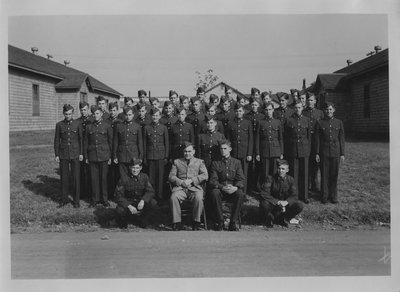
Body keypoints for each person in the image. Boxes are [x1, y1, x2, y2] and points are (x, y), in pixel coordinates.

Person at [169, 142, 208, 231]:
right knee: (173, 197)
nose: (187, 153)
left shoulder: (200, 162)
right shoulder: (177, 162)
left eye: (189, 151)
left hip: (194, 188)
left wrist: (192, 180)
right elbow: (171, 176)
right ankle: (177, 222)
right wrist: (181, 182)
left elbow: (205, 175)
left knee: (198, 198)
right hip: (181, 188)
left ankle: (196, 222)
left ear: (193, 152)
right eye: (185, 151)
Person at [208, 140, 246, 231]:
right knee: (214, 192)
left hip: (233, 189)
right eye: (221, 149)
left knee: (240, 194)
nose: (223, 150)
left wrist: (236, 187)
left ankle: (233, 222)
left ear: (230, 149)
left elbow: (241, 179)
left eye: (225, 148)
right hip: (221, 190)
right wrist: (222, 187)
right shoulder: (215, 163)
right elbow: (213, 180)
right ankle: (220, 221)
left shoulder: (236, 162)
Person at [258, 159, 304, 227]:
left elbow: (294, 195)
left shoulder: (291, 180)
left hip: (285, 206)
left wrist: (286, 202)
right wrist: (277, 202)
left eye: (283, 169)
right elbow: (264, 194)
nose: (280, 171)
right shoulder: (270, 178)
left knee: (299, 205)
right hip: (273, 205)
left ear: (287, 170)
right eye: (279, 168)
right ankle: (270, 219)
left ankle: (285, 219)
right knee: (264, 204)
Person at [54, 104, 83, 208]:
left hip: (75, 153)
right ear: (63, 114)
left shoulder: (78, 123)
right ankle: (64, 199)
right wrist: (57, 154)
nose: (68, 116)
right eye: (66, 114)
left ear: (73, 113)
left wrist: (81, 153)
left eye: (70, 114)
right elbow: (57, 140)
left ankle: (76, 201)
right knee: (64, 178)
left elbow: (81, 139)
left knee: (76, 178)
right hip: (64, 154)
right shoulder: (59, 125)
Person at [315, 102, 345, 204]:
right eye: (327, 109)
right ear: (324, 111)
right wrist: (317, 153)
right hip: (324, 152)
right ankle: (324, 196)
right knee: (324, 174)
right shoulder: (320, 123)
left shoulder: (339, 122)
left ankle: (333, 196)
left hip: (335, 152)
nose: (329, 111)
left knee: (334, 174)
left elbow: (341, 139)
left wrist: (342, 154)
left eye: (331, 109)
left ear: (334, 110)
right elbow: (317, 139)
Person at [114, 159, 156, 229]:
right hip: (129, 202)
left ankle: (143, 220)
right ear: (130, 168)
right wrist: (128, 205)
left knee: (153, 203)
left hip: (140, 202)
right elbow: (118, 195)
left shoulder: (144, 177)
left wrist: (143, 200)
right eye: (133, 168)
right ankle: (124, 222)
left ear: (140, 168)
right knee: (119, 210)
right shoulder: (124, 178)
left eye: (137, 168)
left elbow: (150, 191)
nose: (135, 170)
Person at [84, 105, 113, 207]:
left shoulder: (107, 125)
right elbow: (86, 142)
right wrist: (86, 156)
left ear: (101, 114)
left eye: (97, 113)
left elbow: (111, 142)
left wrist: (110, 157)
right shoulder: (89, 127)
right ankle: (94, 199)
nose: (95, 115)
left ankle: (104, 199)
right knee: (93, 179)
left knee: (104, 178)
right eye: (94, 114)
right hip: (92, 156)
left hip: (104, 155)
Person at [283, 101, 311, 204]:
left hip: (304, 150)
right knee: (294, 174)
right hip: (293, 150)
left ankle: (305, 196)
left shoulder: (307, 120)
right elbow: (286, 137)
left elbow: (309, 137)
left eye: (299, 107)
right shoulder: (289, 120)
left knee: (304, 173)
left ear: (302, 108)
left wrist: (309, 150)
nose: (297, 109)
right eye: (295, 108)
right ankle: (294, 196)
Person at [143, 107, 169, 203]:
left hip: (161, 156)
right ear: (151, 116)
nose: (155, 117)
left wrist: (166, 156)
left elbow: (166, 143)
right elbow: (144, 144)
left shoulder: (164, 128)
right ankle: (151, 196)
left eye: (157, 115)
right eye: (153, 115)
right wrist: (145, 157)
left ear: (160, 116)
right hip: (150, 156)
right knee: (151, 178)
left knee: (160, 177)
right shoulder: (146, 128)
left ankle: (159, 196)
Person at [226, 103, 253, 193]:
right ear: (234, 112)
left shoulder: (247, 123)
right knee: (233, 172)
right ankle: (234, 192)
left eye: (240, 111)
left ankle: (243, 192)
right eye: (237, 111)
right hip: (234, 152)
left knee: (244, 173)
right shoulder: (230, 123)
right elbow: (228, 140)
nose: (238, 113)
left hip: (244, 153)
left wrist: (249, 153)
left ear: (243, 112)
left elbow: (251, 139)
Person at [255, 102, 284, 186]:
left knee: (275, 172)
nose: (268, 111)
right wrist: (257, 153)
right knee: (265, 173)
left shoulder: (277, 122)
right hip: (264, 151)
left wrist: (281, 152)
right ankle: (265, 192)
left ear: (273, 110)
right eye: (266, 110)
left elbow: (280, 138)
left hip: (276, 151)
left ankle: (274, 191)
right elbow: (257, 139)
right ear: (264, 111)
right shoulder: (260, 122)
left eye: (270, 109)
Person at [113, 106, 143, 178]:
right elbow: (116, 142)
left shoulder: (137, 126)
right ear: (124, 115)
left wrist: (140, 156)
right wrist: (115, 155)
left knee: (133, 176)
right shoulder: (119, 126)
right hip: (121, 155)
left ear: (133, 115)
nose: (128, 117)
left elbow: (140, 143)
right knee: (122, 177)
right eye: (126, 115)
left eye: (130, 115)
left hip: (133, 155)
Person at [303, 94, 324, 192]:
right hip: (306, 141)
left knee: (316, 164)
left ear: (315, 101)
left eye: (311, 100)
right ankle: (306, 185)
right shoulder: (303, 112)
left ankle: (315, 186)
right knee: (306, 164)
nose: (309, 102)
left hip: (316, 140)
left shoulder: (320, 113)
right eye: (308, 100)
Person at [107, 102, 123, 199]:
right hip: (108, 150)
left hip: (118, 151)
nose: (112, 112)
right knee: (109, 174)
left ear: (117, 110)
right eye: (111, 110)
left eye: (114, 110)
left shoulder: (121, 122)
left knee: (118, 174)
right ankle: (110, 193)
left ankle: (119, 194)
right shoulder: (106, 122)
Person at [77, 101, 93, 199]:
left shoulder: (92, 120)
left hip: (90, 149)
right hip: (80, 149)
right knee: (81, 172)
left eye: (85, 110)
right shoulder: (77, 121)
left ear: (88, 109)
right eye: (81, 110)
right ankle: (82, 193)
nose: (83, 112)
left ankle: (91, 192)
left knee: (91, 173)